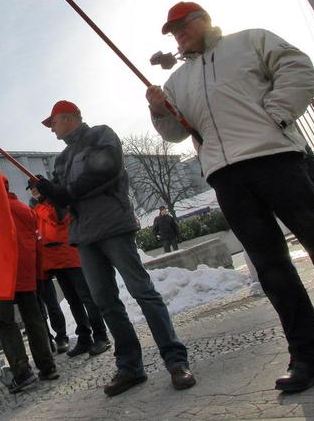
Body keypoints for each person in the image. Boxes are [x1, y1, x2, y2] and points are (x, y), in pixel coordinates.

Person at [146, 1, 314, 393]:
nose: (178, 35)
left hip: (276, 159)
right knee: (271, 268)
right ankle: (309, 357)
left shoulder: (250, 41)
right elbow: (175, 133)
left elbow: (299, 69)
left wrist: (277, 114)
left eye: (183, 25)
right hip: (226, 176)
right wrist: (159, 111)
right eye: (173, 31)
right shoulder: (178, 81)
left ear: (203, 19)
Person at [33, 101, 195, 396]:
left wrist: (65, 192)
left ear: (68, 118)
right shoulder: (61, 159)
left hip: (112, 225)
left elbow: (105, 171)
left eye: (53, 123)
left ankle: (175, 361)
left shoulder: (100, 135)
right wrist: (49, 193)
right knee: (105, 302)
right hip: (84, 236)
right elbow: (62, 203)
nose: (52, 129)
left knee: (142, 292)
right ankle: (130, 367)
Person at [31, 184, 111, 358]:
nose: (34, 192)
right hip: (56, 260)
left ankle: (101, 335)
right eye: (32, 190)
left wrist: (44, 202)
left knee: (86, 298)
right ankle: (84, 336)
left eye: (36, 188)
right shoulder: (40, 207)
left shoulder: (53, 203)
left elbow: (56, 218)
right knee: (73, 300)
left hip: (69, 256)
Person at [0, 177, 59, 393]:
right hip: (27, 271)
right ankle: (47, 366)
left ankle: (22, 371)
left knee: (5, 321)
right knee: (33, 318)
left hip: (3, 274)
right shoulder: (24, 209)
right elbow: (37, 241)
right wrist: (39, 272)